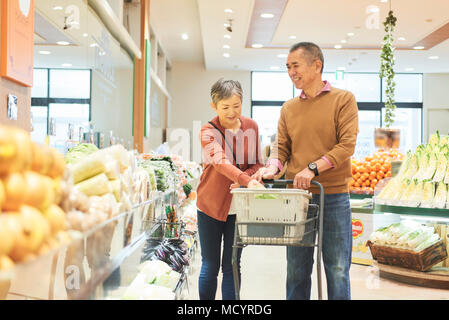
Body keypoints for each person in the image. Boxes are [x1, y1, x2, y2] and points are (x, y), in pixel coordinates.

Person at [253, 42, 359, 300]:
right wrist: (271, 167)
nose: (291, 72)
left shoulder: (343, 99)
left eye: (296, 65)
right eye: (288, 67)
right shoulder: (289, 107)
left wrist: (312, 168)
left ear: (317, 65)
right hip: (297, 199)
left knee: (337, 269)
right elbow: (281, 148)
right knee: (296, 269)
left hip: (333, 196)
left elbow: (346, 145)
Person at [196, 78, 265, 300]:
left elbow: (257, 163)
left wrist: (251, 177)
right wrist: (245, 179)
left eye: (236, 106)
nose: (232, 112)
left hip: (240, 208)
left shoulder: (251, 127)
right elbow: (220, 161)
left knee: (232, 264)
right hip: (210, 206)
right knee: (210, 264)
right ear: (214, 106)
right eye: (225, 107)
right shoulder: (207, 131)